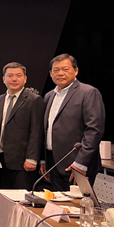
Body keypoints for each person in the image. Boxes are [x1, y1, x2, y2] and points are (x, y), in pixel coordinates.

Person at [42, 54, 105, 191]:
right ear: (50, 73)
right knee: (58, 204)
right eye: (56, 70)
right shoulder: (49, 96)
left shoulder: (88, 92)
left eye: (65, 69)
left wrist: (81, 163)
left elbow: (94, 130)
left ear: (76, 71)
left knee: (78, 204)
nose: (60, 73)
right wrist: (43, 159)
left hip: (77, 164)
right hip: (54, 164)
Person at [0, 62, 44, 190]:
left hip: (22, 161)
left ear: (25, 79)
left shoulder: (34, 100)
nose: (14, 79)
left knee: (21, 198)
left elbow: (36, 131)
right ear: (3, 79)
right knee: (2, 197)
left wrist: (32, 158)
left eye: (18, 75)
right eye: (10, 76)